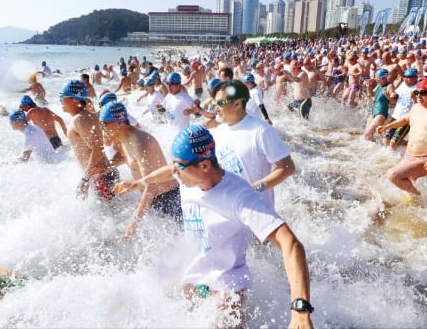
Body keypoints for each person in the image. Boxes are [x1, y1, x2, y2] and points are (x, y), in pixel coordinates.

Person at [113, 125, 313, 328]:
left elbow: (291, 244)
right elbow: (169, 171)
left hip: (226, 292)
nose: (174, 172)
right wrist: (140, 181)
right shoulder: (187, 176)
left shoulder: (240, 196)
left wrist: (300, 310)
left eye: (179, 166)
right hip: (193, 283)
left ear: (205, 166)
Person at [99, 101, 182, 236]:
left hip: (168, 199)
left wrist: (134, 221)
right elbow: (125, 159)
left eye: (103, 124)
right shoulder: (122, 140)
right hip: (152, 199)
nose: (102, 129)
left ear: (118, 122)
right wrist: (101, 169)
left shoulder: (141, 142)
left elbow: (152, 185)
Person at [210, 80, 294, 207]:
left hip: (258, 210)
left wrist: (256, 188)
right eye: (214, 103)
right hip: (230, 208)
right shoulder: (220, 130)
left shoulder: (261, 130)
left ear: (237, 103)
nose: (216, 108)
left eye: (220, 103)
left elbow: (287, 167)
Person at [60, 80, 118, 202]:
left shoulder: (80, 119)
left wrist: (85, 179)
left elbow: (98, 148)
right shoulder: (88, 116)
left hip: (100, 178)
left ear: (75, 99)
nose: (60, 100)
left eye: (62, 96)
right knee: (114, 215)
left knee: (114, 216)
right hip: (102, 175)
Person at [382, 68, 418, 149]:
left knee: (392, 144)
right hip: (396, 116)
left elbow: (420, 106)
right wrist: (387, 95)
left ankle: (394, 160)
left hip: (406, 119)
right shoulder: (402, 85)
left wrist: (414, 98)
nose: (405, 78)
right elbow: (394, 102)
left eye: (408, 77)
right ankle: (412, 145)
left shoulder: (418, 88)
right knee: (385, 140)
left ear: (415, 78)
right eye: (405, 76)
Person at [364, 69, 395, 141]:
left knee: (368, 134)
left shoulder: (390, 86)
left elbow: (393, 101)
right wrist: (368, 87)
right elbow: (371, 95)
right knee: (368, 135)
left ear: (385, 78)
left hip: (381, 113)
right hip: (374, 111)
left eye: (378, 78)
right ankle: (378, 148)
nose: (377, 80)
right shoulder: (379, 86)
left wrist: (388, 95)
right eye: (376, 78)